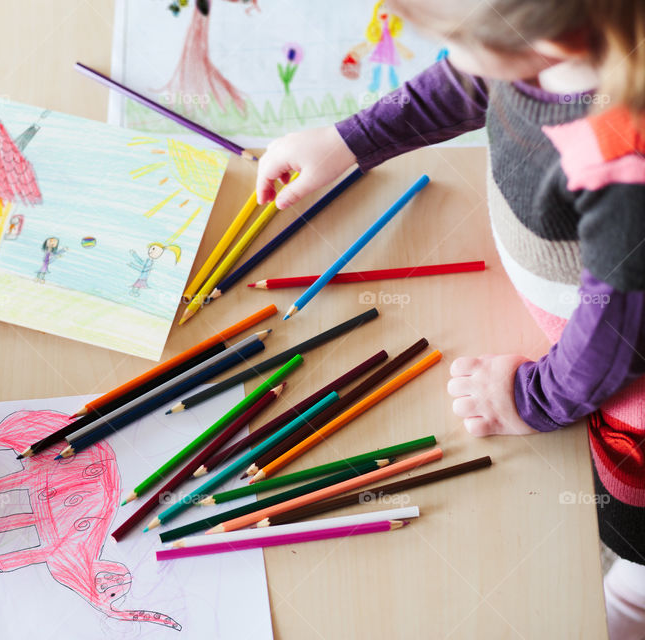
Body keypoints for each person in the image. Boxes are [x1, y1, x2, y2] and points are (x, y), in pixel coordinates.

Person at [255, 1, 645, 636]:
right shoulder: (556, 47)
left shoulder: (624, 166)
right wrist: (349, 141)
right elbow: (467, 81)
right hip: (600, 330)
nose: (445, 60)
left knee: (630, 537)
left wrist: (530, 399)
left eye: (456, 42)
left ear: (551, 43)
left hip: (627, 402)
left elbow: (615, 340)